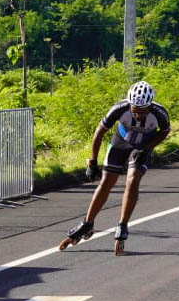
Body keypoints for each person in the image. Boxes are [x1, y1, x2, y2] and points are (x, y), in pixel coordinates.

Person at [59, 80, 170, 256]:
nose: (138, 116)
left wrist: (148, 148)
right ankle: (88, 223)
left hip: (142, 146)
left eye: (142, 112)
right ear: (130, 105)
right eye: (135, 111)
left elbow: (164, 131)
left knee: (132, 181)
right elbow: (99, 133)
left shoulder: (160, 112)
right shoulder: (119, 108)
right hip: (120, 143)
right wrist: (92, 162)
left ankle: (123, 225)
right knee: (106, 182)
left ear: (149, 107)